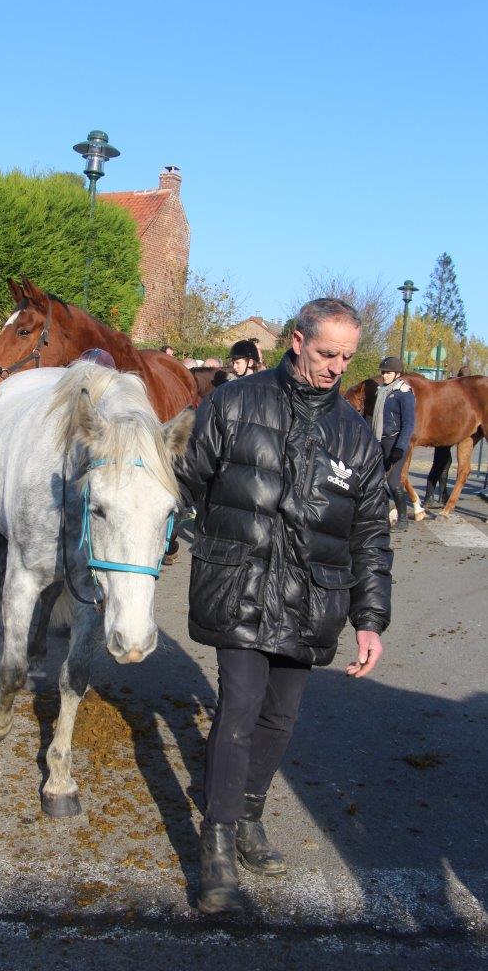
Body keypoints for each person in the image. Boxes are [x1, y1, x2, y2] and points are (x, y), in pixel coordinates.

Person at [176, 297, 392, 914]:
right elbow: (187, 481)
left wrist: (370, 619)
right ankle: (215, 840)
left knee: (279, 719)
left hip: (311, 598)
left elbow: (370, 533)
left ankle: (248, 814)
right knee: (239, 710)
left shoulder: (355, 436)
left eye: (347, 358)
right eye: (327, 354)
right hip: (239, 584)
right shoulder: (233, 403)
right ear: (297, 341)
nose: (337, 368)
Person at [371, 356, 416, 532]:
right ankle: (382, 516)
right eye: (383, 372)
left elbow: (408, 424)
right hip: (379, 441)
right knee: (376, 480)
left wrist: (400, 447)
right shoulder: (381, 391)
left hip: (395, 443)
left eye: (388, 372)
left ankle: (403, 519)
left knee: (393, 481)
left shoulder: (404, 394)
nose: (384, 375)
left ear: (397, 373)